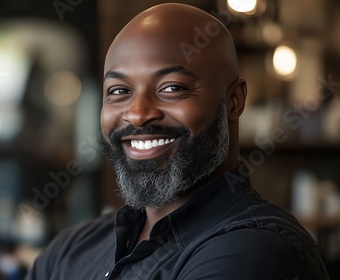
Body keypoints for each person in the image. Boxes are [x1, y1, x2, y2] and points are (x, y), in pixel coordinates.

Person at [25, 3, 330, 279]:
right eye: (119, 91)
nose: (138, 114)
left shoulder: (255, 250)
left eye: (171, 88)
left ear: (234, 101)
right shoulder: (70, 250)